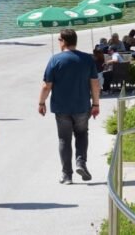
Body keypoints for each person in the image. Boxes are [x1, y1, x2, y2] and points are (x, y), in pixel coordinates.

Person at [39, 29, 101, 184]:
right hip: (82, 106)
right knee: (81, 134)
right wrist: (96, 104)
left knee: (64, 140)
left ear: (63, 41)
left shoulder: (55, 60)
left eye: (59, 39)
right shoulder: (87, 59)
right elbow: (95, 83)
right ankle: (81, 162)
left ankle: (67, 175)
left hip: (61, 108)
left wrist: (41, 102)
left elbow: (47, 86)